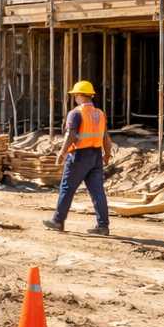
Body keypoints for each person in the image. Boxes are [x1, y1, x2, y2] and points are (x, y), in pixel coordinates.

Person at [43, 80, 114, 236]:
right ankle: (103, 225)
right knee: (98, 192)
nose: (74, 97)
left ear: (79, 95)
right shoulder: (100, 113)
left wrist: (62, 152)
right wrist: (107, 153)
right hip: (95, 157)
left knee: (67, 189)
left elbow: (71, 134)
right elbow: (105, 136)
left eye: (75, 95)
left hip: (79, 156)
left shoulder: (76, 113)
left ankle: (58, 220)